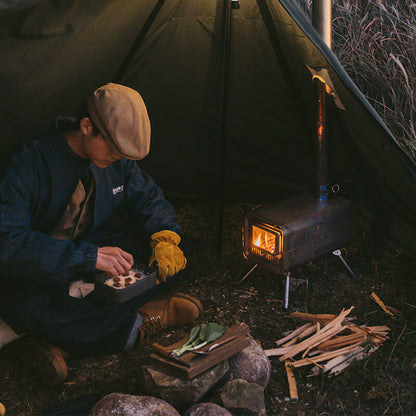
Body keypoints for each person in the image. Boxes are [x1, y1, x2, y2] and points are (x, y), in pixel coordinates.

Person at [0, 83, 203, 384]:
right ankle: (139, 322)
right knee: (25, 307)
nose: (117, 158)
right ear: (86, 126)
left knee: (173, 255)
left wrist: (165, 236)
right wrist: (88, 257)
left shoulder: (116, 161)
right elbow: (9, 242)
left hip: (87, 251)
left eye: (123, 154)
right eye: (112, 148)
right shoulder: (30, 163)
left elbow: (148, 198)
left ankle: (63, 338)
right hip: (39, 266)